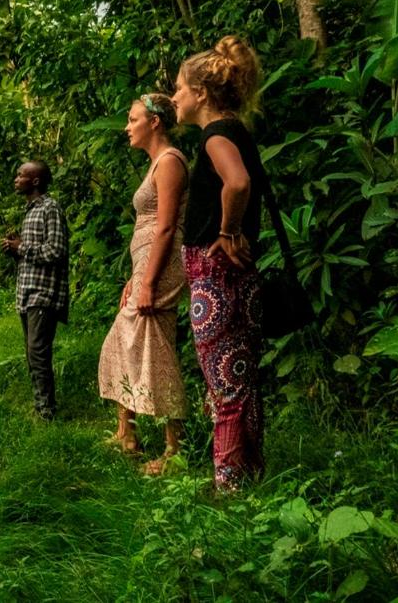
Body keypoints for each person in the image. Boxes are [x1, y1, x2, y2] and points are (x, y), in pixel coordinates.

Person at [171, 35, 266, 491]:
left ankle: (228, 485)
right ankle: (250, 473)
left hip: (216, 269)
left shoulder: (215, 135)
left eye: (179, 89)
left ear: (201, 94)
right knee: (241, 376)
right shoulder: (236, 130)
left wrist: (227, 231)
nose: (175, 97)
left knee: (223, 380)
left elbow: (238, 182)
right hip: (236, 270)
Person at [98, 94, 189, 474]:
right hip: (145, 267)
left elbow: (167, 226)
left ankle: (175, 449)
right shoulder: (156, 163)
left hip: (162, 266)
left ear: (154, 122)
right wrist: (134, 279)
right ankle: (127, 432)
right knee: (124, 340)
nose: (127, 126)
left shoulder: (170, 161)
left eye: (133, 119)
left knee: (154, 346)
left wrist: (149, 282)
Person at [1, 160, 70, 421]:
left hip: (44, 293)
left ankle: (46, 411)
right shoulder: (29, 211)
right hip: (27, 293)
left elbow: (56, 250)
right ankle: (40, 405)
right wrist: (14, 250)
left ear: (36, 181)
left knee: (38, 352)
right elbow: (32, 256)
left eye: (21, 175)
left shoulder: (49, 209)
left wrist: (22, 248)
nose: (16, 179)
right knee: (32, 353)